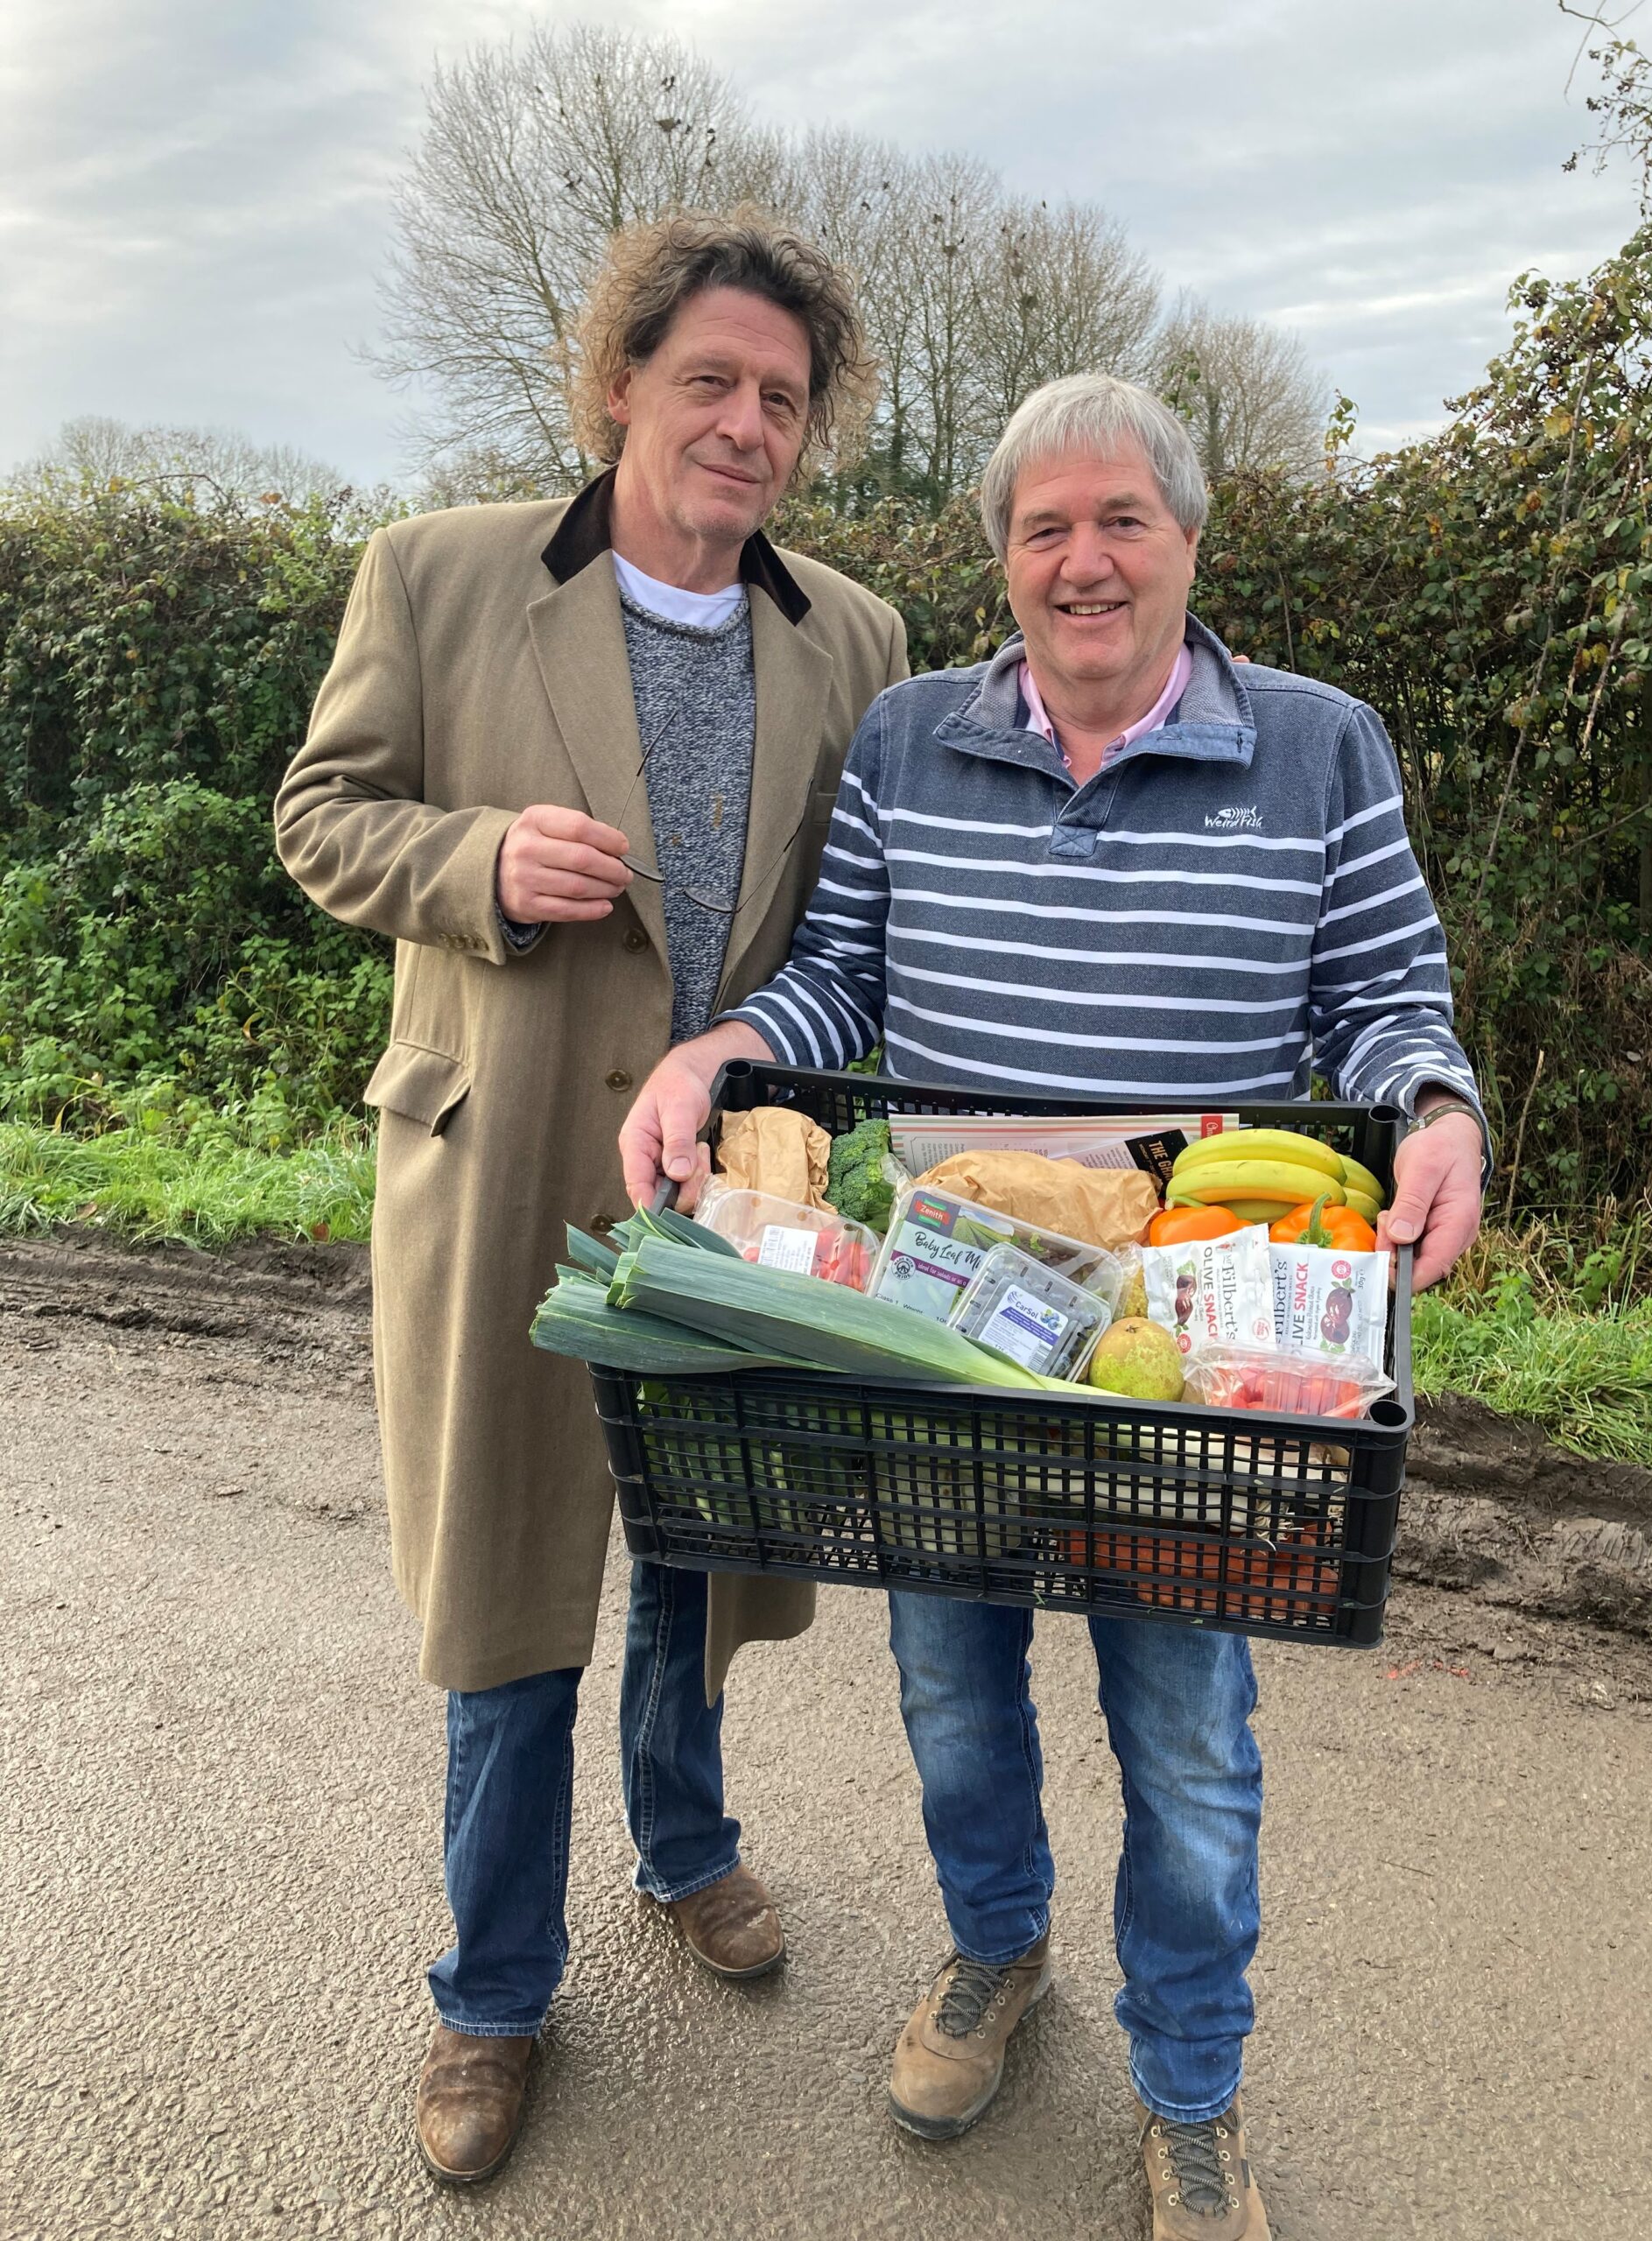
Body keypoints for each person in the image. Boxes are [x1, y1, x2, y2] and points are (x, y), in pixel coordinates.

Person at [620, 373, 1485, 2240]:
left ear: (1189, 537)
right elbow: (841, 974)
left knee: (1188, 1735)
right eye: (1044, 528)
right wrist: (728, 1045)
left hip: (1183, 1341)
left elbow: (1387, 995)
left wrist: (1435, 1111)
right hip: (946, 1321)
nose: (1083, 561)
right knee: (949, 1687)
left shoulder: (1320, 747)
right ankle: (997, 1949)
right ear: (1002, 555)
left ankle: (1191, 2088)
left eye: (1121, 522)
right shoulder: (914, 737)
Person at [275, 212, 907, 2186]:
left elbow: (868, 922)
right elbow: (319, 813)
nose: (744, 423)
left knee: (695, 1549)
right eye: (707, 378)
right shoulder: (443, 572)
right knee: (515, 1573)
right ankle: (489, 1987)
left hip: (730, 1187)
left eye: (780, 397)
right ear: (618, 378)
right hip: (514, 1150)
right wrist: (470, 859)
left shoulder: (858, 637)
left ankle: (687, 1844)